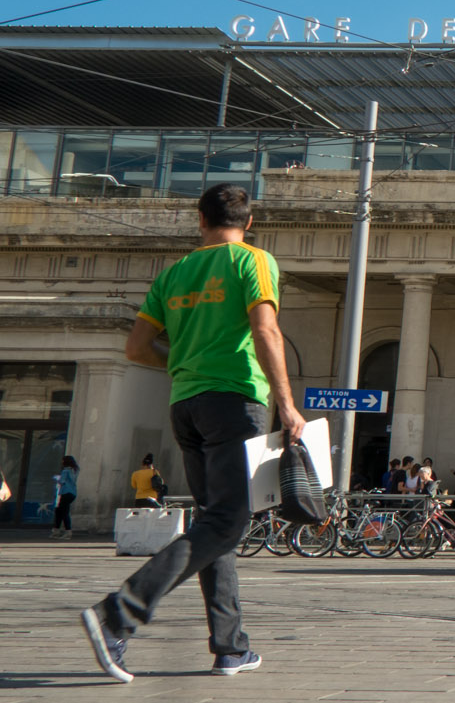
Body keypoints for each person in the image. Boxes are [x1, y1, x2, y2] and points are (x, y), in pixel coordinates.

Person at [84, 183, 304, 682]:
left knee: (214, 523)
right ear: (248, 223)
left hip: (186, 404)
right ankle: (120, 611)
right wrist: (287, 403)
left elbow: (138, 348)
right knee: (227, 522)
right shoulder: (252, 261)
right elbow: (266, 330)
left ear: (199, 220)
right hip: (234, 400)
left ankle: (230, 646)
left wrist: (182, 362)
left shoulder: (175, 273)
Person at [51, 456, 78, 539]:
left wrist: (57, 478)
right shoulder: (75, 470)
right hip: (72, 493)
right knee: (60, 510)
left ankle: (66, 531)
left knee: (63, 512)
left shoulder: (65, 471)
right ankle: (57, 530)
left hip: (65, 492)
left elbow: (62, 481)